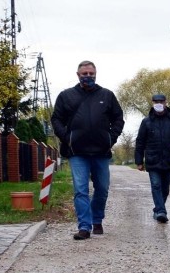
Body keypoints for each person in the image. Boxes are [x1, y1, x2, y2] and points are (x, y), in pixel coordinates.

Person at [51, 60, 125, 240]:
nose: (88, 76)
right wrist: (66, 138)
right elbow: (56, 120)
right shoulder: (66, 96)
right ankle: (84, 226)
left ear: (96, 74)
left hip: (101, 151)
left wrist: (111, 138)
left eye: (91, 74)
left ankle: (97, 218)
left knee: (102, 189)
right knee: (80, 190)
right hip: (77, 152)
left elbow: (118, 118)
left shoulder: (107, 95)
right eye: (84, 74)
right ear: (78, 75)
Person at [134, 93, 170, 224]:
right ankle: (161, 212)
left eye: (161, 101)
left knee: (165, 188)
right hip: (153, 160)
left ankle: (157, 209)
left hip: (169, 159)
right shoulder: (146, 121)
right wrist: (139, 161)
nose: (159, 103)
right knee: (156, 185)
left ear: (165, 102)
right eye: (156, 101)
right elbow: (140, 142)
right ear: (152, 102)